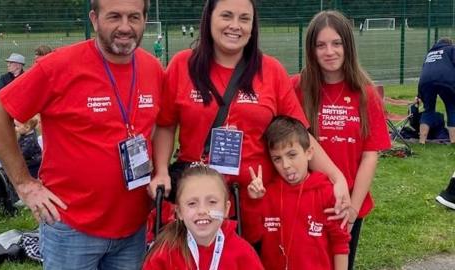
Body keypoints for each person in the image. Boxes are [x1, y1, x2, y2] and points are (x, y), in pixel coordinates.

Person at [0, 0, 163, 269]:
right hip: (71, 228)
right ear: (94, 19)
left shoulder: (152, 68)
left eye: (134, 17)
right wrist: (24, 184)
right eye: (114, 16)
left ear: (144, 20)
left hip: (132, 228)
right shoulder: (59, 65)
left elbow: (158, 126)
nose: (125, 26)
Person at [149, 0, 350, 240]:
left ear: (253, 26)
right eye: (226, 16)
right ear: (209, 18)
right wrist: (161, 170)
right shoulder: (183, 65)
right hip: (199, 204)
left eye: (244, 19)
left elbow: (300, 134)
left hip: (257, 203)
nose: (235, 26)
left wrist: (337, 177)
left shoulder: (271, 70)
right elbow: (165, 125)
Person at [292, 10, 391, 270]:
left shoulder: (366, 94)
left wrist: (353, 210)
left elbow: (370, 155)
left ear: (348, 45)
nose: (330, 51)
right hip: (307, 201)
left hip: (348, 203)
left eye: (336, 43)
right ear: (311, 50)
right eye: (320, 45)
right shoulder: (298, 88)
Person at [244, 116, 350, 270]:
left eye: (292, 155)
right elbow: (252, 236)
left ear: (309, 153)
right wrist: (254, 202)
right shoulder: (268, 194)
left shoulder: (326, 192)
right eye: (277, 159)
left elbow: (340, 243)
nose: (286, 165)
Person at [143, 165, 263, 269]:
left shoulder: (243, 253)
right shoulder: (163, 254)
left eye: (212, 202)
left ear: (226, 209)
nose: (202, 211)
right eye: (192, 203)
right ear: (179, 212)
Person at [417, 37, 455, 144]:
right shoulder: (451, 49)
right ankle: (453, 141)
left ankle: (422, 141)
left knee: (428, 109)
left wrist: (419, 94)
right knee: (452, 108)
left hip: (425, 82)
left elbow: (424, 72)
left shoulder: (429, 53)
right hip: (445, 80)